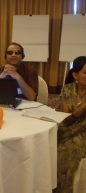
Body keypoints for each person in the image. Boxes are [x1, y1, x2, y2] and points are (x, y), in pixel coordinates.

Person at [54, 56, 86, 193]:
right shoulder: (67, 89)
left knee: (68, 160)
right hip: (67, 128)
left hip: (83, 131)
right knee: (49, 149)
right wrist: (84, 108)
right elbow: (67, 119)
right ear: (75, 74)